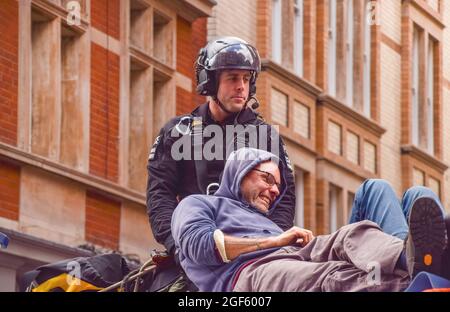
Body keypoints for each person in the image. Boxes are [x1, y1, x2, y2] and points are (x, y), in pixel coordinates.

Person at [171, 148, 449, 292]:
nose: (275, 190)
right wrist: (276, 240)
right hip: (248, 274)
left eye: (277, 185)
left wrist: (288, 242)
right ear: (238, 173)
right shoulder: (198, 204)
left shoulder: (263, 219)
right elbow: (201, 245)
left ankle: (413, 258)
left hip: (294, 254)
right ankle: (420, 284)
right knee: (332, 276)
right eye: (267, 178)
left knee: (353, 235)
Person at [147, 37, 296, 258]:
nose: (241, 87)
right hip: (192, 247)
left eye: (246, 79)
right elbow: (160, 193)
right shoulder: (178, 132)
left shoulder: (266, 136)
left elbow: (284, 198)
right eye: (233, 78)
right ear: (210, 82)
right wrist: (177, 245)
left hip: (255, 251)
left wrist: (269, 245)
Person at [348, 179, 450, 279]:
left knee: (374, 187)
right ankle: (440, 257)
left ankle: (409, 255)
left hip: (373, 270)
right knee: (420, 193)